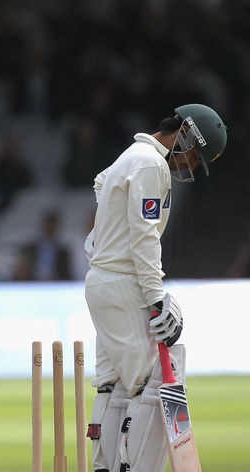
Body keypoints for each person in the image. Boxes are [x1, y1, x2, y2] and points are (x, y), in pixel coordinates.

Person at [83, 103, 227, 472]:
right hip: (122, 282)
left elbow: (103, 183)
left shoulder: (134, 155)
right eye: (195, 157)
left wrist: (100, 237)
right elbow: (144, 237)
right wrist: (156, 296)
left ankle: (107, 464)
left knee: (114, 382)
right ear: (185, 136)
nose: (191, 166)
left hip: (105, 280)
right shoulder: (151, 163)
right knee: (158, 377)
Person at [11, 210, 72, 281]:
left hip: (55, 285)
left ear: (56, 228)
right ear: (43, 226)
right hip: (32, 283)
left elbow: (66, 274)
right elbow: (21, 269)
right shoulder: (30, 248)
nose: (49, 229)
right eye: (48, 226)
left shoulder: (63, 251)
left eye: (52, 227)